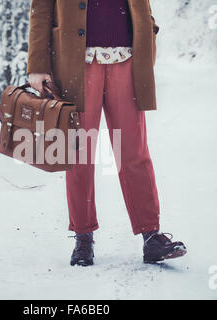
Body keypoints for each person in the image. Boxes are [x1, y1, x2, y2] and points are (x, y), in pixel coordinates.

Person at [27, 0, 187, 266]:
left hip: (126, 58)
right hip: (76, 61)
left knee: (134, 151)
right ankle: (83, 237)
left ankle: (151, 236)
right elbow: (41, 9)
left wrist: (149, 27)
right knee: (79, 153)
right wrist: (37, 64)